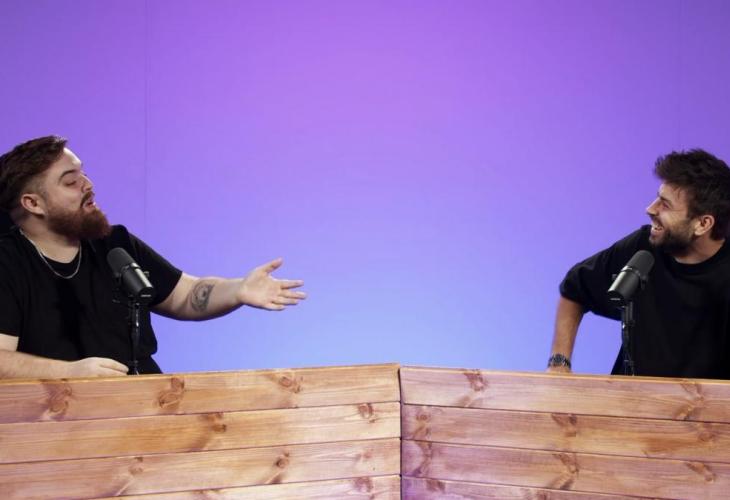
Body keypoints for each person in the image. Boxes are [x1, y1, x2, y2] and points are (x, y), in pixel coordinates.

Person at [0, 136, 306, 378]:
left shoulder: (114, 244)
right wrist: (69, 374)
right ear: (33, 203)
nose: (88, 185)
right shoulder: (8, 262)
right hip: (61, 421)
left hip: (145, 408)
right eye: (71, 181)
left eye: (84, 174)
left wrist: (238, 290)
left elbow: (185, 294)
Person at [548, 149, 730, 379]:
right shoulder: (643, 247)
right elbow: (575, 290)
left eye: (665, 204)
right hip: (629, 398)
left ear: (703, 224)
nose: (650, 208)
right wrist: (559, 363)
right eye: (657, 197)